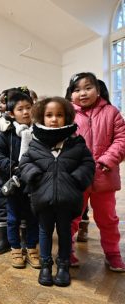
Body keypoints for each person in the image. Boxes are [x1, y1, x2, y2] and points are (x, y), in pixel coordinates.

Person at [20, 97, 94, 287]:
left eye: (59, 115)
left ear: (67, 117)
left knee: (65, 233)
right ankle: (46, 265)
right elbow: (24, 163)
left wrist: (76, 179)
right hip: (42, 198)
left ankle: (63, 266)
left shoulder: (76, 142)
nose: (54, 119)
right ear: (41, 117)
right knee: (44, 232)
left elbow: (87, 163)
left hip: (67, 198)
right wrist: (34, 175)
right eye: (49, 115)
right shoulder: (36, 143)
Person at [66, 72, 125, 271]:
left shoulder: (112, 112)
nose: (82, 93)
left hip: (104, 177)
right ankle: (67, 252)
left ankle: (113, 254)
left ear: (98, 89)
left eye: (88, 88)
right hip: (75, 178)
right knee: (71, 217)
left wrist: (108, 159)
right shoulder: (67, 114)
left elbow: (121, 139)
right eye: (76, 89)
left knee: (108, 219)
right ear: (70, 94)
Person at [0, 91, 40, 269]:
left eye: (29, 107)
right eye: (20, 109)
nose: (26, 112)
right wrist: (14, 167)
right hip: (12, 182)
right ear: (11, 113)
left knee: (33, 218)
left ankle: (32, 248)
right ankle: (15, 248)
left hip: (33, 183)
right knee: (13, 218)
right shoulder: (5, 132)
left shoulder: (40, 132)